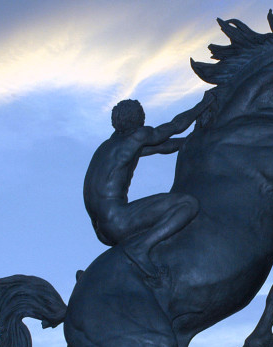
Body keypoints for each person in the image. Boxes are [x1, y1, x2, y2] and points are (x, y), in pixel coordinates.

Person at [83, 92, 213, 280]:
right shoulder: (137, 136)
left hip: (102, 231)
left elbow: (163, 146)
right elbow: (175, 126)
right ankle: (141, 248)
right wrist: (203, 105)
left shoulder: (110, 147)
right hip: (118, 221)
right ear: (138, 119)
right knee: (187, 204)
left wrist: (195, 138)